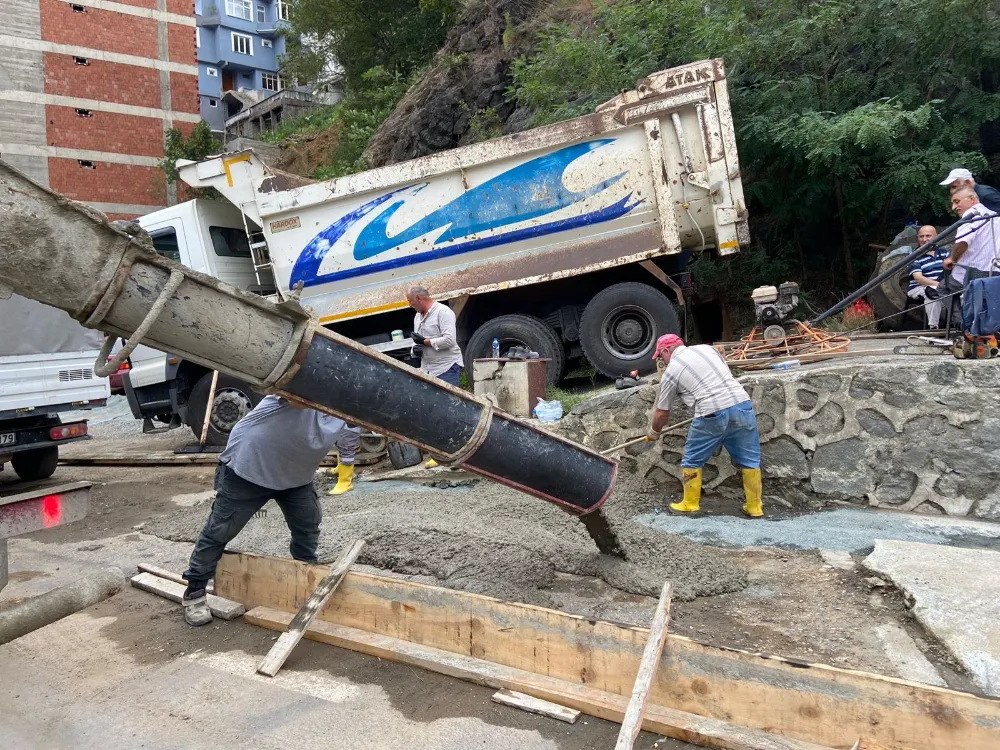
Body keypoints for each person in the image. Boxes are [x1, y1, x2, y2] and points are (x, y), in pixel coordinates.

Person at [181, 395, 358, 626]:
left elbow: (349, 444)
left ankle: (304, 576)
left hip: (295, 476)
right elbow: (299, 398)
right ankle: (194, 592)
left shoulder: (353, 413)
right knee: (221, 529)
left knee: (308, 524)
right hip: (250, 468)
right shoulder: (298, 392)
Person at [645, 334, 763, 518]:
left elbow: (662, 412)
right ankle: (755, 507)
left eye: (660, 356)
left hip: (711, 412)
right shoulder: (708, 349)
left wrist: (654, 432)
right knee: (750, 460)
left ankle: (690, 504)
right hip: (742, 405)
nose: (662, 361)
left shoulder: (672, 370)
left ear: (667, 351)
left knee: (692, 460)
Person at [943, 187, 1000, 289]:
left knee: (942, 288)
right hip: (993, 274)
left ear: (972, 199)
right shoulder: (995, 216)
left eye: (957, 202)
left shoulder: (971, 215)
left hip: (969, 275)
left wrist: (952, 258)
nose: (953, 207)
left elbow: (963, 242)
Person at [407, 286, 464, 387]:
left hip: (446, 368)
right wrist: (414, 350)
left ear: (419, 298)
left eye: (410, 301)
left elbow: (449, 340)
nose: (409, 305)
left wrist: (425, 342)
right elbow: (417, 341)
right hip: (427, 371)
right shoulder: (417, 316)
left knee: (448, 402)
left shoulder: (443, 312)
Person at [906, 225, 949, 329]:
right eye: (921, 236)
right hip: (918, 287)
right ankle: (933, 328)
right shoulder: (913, 256)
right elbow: (918, 279)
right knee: (932, 291)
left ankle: (961, 326)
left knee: (963, 291)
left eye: (928, 236)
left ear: (936, 236)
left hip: (941, 286)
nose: (924, 239)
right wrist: (939, 285)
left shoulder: (944, 252)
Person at [327, 422, 363, 496]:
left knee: (345, 444)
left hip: (353, 418)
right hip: (343, 418)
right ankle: (341, 469)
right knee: (339, 439)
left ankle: (345, 482)